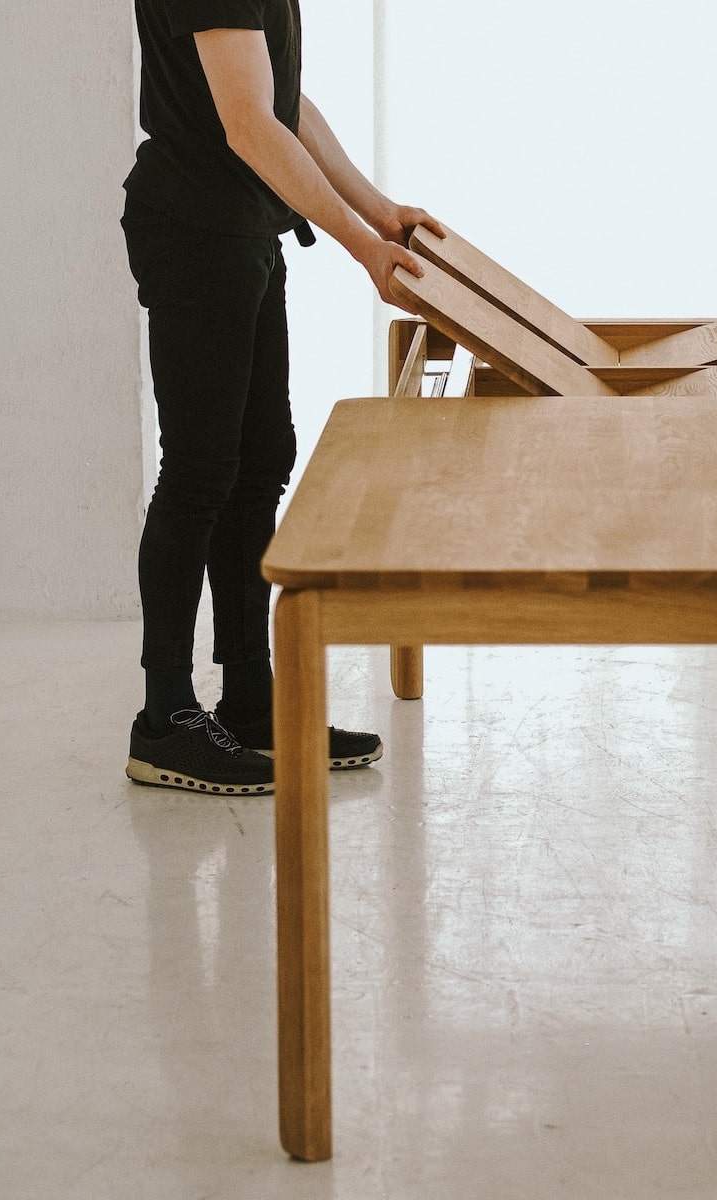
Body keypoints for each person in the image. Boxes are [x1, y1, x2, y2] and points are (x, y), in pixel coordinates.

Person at [121, 0, 443, 795]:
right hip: (197, 229)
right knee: (199, 472)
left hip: (243, 225)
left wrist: (379, 210)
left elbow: (284, 102)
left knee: (261, 462)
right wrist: (361, 246)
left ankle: (250, 700)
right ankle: (165, 720)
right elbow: (250, 128)